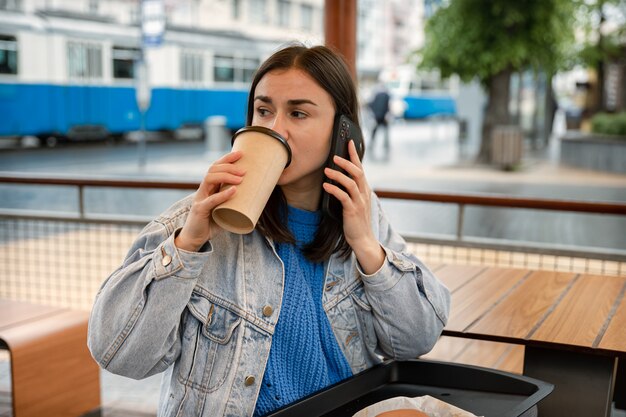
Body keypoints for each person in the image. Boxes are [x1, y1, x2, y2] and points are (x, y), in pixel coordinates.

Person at [87, 43, 450, 417]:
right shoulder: (197, 220)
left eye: (298, 113)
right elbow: (118, 355)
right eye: (264, 110)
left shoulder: (361, 214)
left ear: (343, 133)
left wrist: (365, 245)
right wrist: (188, 244)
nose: (276, 129)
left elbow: (416, 340)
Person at [368, 83, 391, 153]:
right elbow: (388, 106)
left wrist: (374, 114)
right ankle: (386, 144)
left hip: (377, 116)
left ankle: (372, 143)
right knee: (385, 130)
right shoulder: (387, 95)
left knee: (375, 130)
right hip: (383, 116)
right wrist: (387, 114)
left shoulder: (377, 95)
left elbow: (371, 104)